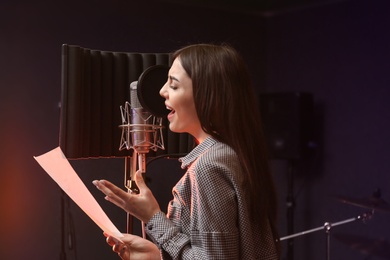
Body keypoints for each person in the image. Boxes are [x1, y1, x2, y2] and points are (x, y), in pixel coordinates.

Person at [93, 43, 280, 259]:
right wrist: (157, 255)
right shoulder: (233, 155)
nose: (162, 91)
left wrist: (153, 217)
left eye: (173, 86)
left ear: (206, 95)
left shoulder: (209, 166)